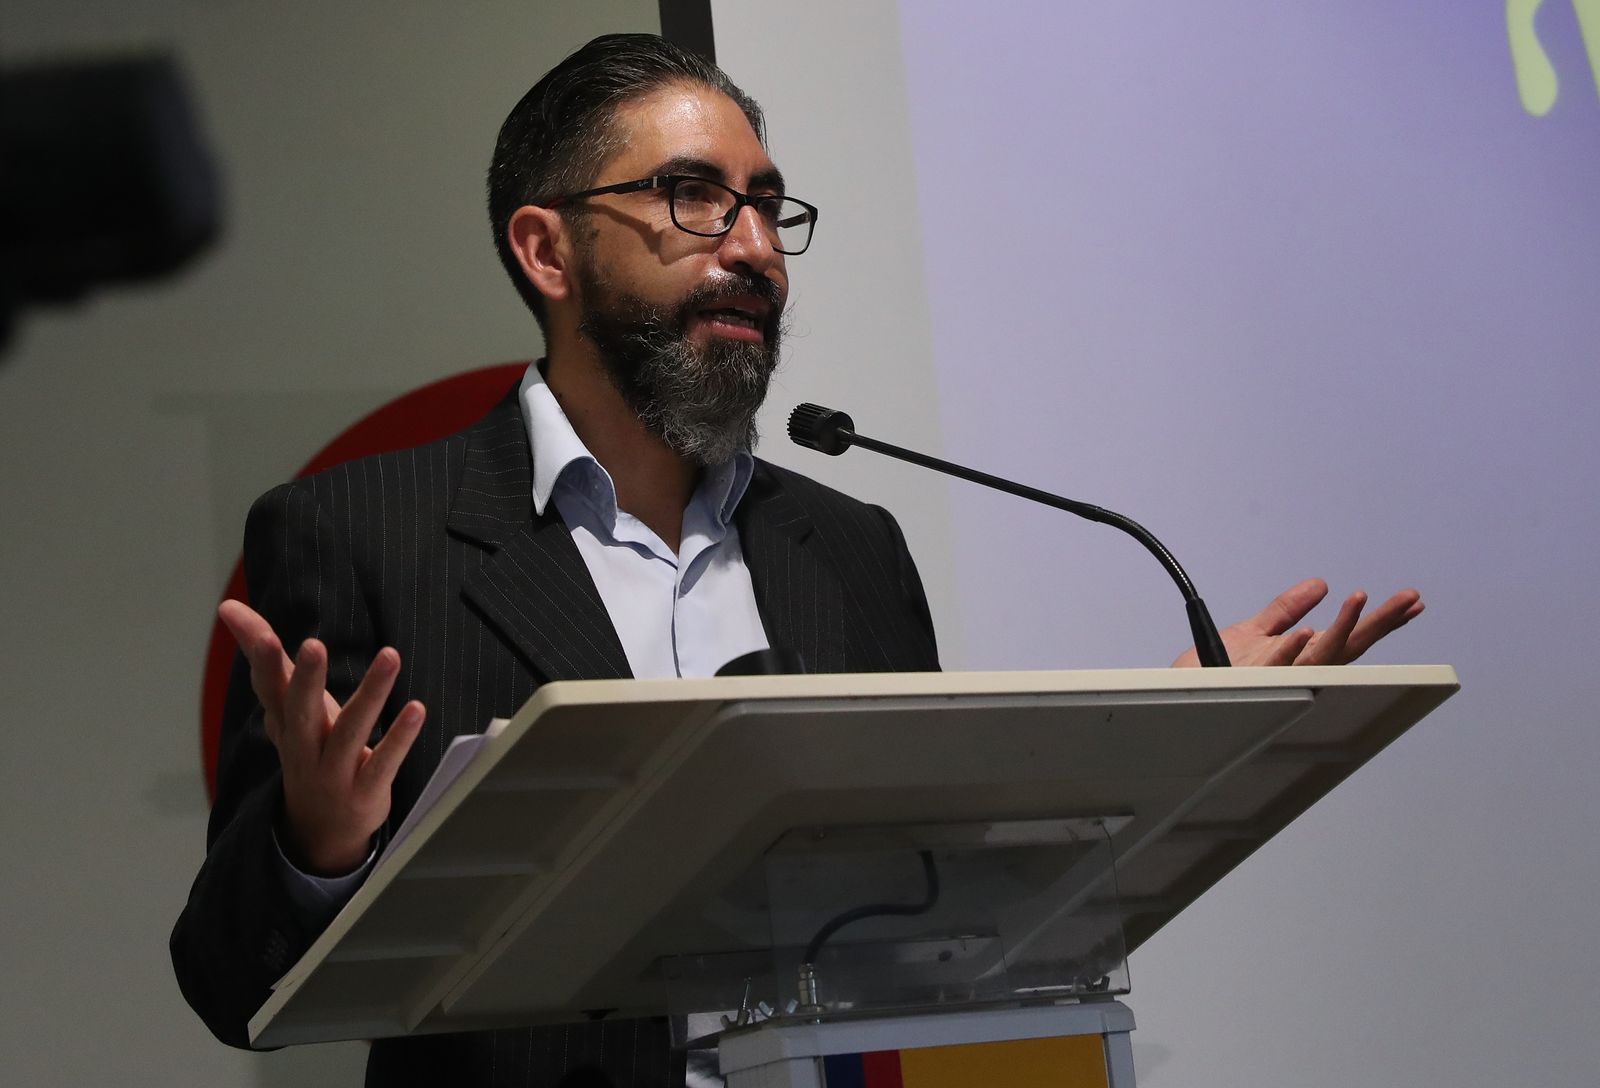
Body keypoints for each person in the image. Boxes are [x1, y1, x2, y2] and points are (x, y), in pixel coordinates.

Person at [170, 33, 1423, 1088]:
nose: (755, 246)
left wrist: (1162, 743)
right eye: (691, 196)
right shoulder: (357, 533)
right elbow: (228, 983)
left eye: (766, 204)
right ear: (547, 251)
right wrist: (319, 844)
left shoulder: (849, 547)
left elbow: (935, 896)